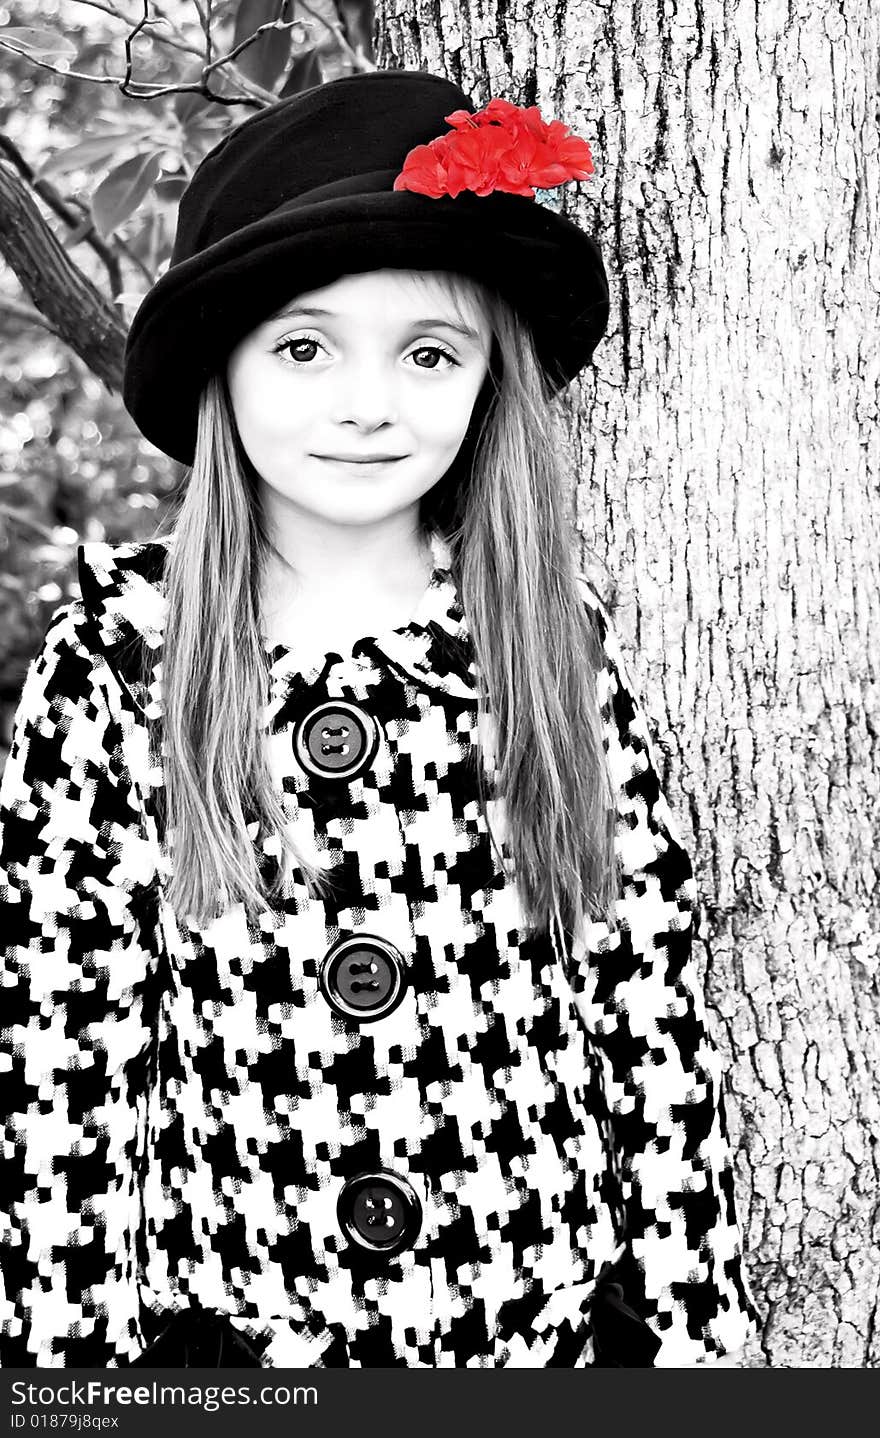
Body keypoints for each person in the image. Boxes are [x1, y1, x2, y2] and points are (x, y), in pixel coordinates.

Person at [0, 68, 759, 1369]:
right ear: (222, 369)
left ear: (485, 382)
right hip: (246, 1359)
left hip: (548, 1344)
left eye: (427, 352)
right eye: (305, 346)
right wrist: (79, 1382)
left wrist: (695, 1342)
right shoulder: (124, 664)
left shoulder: (545, 647)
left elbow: (645, 1013)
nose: (369, 402)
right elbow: (65, 1068)